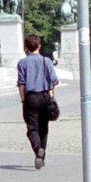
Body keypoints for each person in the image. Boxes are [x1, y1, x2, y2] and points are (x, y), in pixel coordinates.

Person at [16, 34, 58, 170]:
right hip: (45, 96)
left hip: (31, 97)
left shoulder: (22, 63)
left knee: (32, 128)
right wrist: (52, 96)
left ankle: (37, 148)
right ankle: (42, 157)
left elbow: (21, 83)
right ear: (39, 46)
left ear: (26, 47)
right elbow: (54, 81)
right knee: (44, 128)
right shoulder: (47, 61)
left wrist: (22, 98)